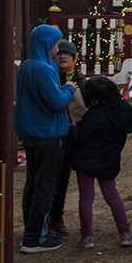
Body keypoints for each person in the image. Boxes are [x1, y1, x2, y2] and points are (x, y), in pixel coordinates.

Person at [15, 23, 76, 253]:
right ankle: (34, 237)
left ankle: (33, 229)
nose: (58, 48)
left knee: (33, 183)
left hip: (30, 131)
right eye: (55, 43)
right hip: (48, 133)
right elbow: (56, 101)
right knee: (45, 186)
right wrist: (69, 88)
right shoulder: (43, 69)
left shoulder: (27, 66)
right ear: (46, 44)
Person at [66, 76, 132, 249]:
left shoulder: (95, 116)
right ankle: (125, 233)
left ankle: (87, 236)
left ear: (93, 98)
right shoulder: (123, 111)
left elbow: (79, 137)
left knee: (86, 197)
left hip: (86, 161)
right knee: (112, 195)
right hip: (109, 160)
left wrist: (71, 126)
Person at [47, 39, 88, 237]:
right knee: (52, 178)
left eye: (68, 53)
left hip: (75, 135)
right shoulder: (50, 78)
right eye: (60, 53)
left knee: (65, 179)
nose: (63, 56)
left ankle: (57, 216)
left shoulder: (82, 82)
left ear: (74, 58)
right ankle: (49, 216)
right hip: (55, 133)